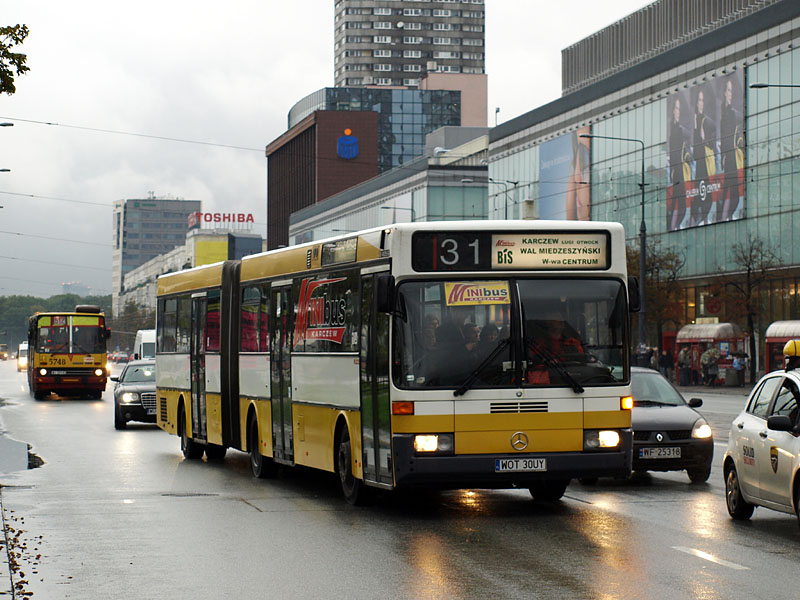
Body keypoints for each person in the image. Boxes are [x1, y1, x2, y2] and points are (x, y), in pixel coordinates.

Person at [527, 310, 584, 384]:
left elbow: (582, 360)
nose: (561, 322)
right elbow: (533, 361)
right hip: (547, 380)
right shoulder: (538, 344)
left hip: (573, 379)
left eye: (562, 320)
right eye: (556, 320)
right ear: (548, 323)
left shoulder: (573, 342)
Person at [692, 88, 716, 225]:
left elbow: (712, 143)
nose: (700, 103)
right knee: (698, 193)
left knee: (706, 192)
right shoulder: (695, 121)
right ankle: (700, 219)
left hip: (706, 163)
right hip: (698, 164)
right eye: (699, 100)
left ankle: (706, 218)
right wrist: (696, 129)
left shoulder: (707, 121)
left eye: (702, 100)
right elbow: (695, 150)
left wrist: (703, 139)